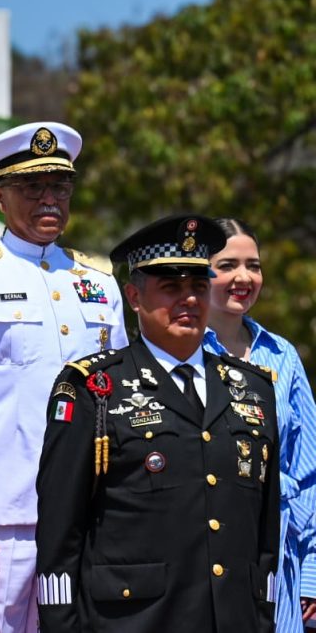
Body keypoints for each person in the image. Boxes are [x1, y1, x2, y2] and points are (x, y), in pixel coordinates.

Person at [0, 122, 128, 632]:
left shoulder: (99, 281)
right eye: (31, 188)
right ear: (0, 197)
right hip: (6, 511)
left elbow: (123, 393)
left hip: (90, 502)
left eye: (59, 186)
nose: (48, 200)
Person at [37, 214, 279, 632]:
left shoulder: (253, 388)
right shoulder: (94, 387)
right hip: (134, 620)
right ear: (133, 296)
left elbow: (265, 528)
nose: (188, 300)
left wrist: (262, 614)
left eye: (199, 286)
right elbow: (61, 528)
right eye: (171, 287)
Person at [202, 217, 316, 631]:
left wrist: (311, 572)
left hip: (277, 562)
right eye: (228, 265)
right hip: (201, 559)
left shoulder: (282, 356)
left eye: (254, 265)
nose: (244, 277)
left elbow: (309, 475)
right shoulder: (177, 355)